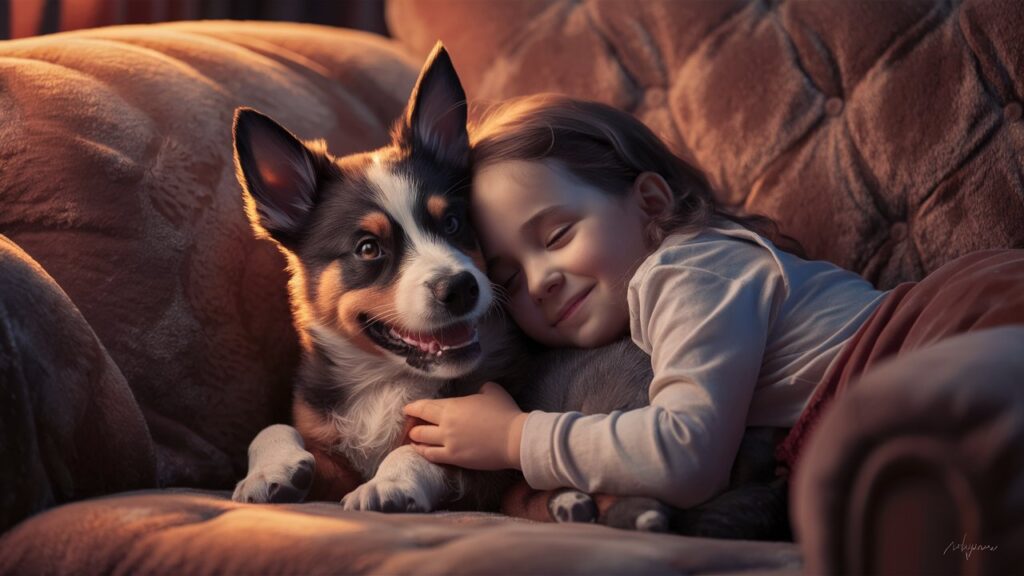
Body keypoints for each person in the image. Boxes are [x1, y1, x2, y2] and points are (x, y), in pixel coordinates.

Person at [403, 94, 1024, 509]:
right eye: (509, 280)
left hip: (947, 335)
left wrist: (516, 439)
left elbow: (687, 453)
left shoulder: (688, 270)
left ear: (649, 204)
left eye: (559, 236)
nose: (540, 282)